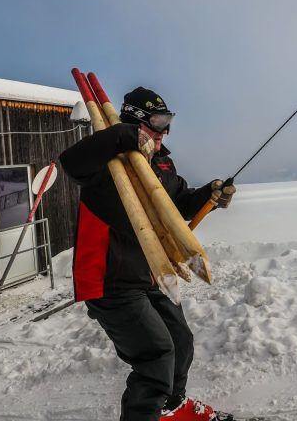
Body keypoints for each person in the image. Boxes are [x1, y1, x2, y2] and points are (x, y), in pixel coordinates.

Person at [59, 87, 235, 421]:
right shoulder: (106, 161)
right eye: (158, 121)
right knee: (155, 355)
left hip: (151, 273)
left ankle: (171, 408)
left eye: (169, 122)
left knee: (180, 341)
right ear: (136, 122)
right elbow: (71, 162)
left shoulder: (163, 162)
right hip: (108, 281)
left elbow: (178, 202)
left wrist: (209, 195)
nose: (165, 130)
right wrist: (121, 136)